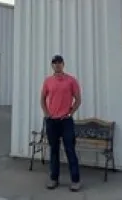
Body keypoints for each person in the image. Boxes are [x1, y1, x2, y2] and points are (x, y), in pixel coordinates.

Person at [40, 54, 82, 192]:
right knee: (54, 151)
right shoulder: (48, 81)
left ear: (63, 64)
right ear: (52, 65)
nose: (57, 65)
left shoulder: (71, 81)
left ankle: (75, 181)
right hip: (52, 122)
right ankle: (54, 179)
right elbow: (42, 99)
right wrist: (47, 114)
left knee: (70, 150)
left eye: (59, 62)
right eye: (54, 63)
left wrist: (70, 113)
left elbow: (78, 99)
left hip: (66, 122)